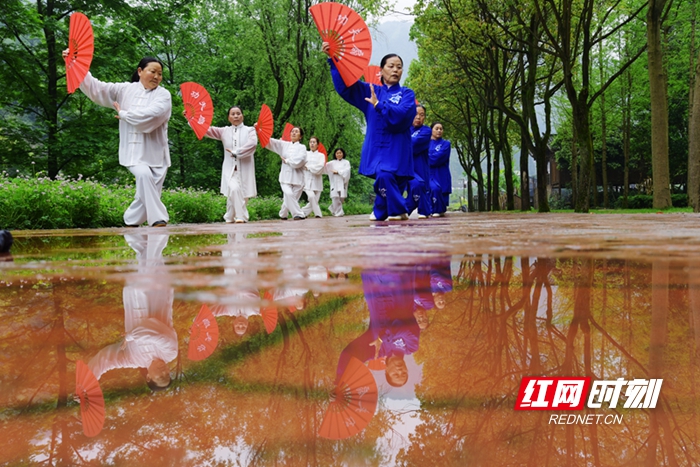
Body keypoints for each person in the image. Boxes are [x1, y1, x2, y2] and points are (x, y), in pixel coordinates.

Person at [66, 53, 172, 227]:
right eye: (153, 72)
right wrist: (74, 63)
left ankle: (131, 220)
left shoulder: (164, 95)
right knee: (144, 175)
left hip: (157, 153)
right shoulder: (124, 90)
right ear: (140, 71)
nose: (156, 77)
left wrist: (124, 114)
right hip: (133, 152)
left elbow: (153, 116)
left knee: (147, 192)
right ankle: (159, 218)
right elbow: (96, 88)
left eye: (160, 74)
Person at [322, 44, 416, 221]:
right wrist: (333, 59)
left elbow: (403, 116)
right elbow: (346, 87)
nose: (395, 70)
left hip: (398, 149)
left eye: (399, 66)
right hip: (378, 150)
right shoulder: (371, 90)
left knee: (390, 187)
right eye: (391, 66)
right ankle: (399, 210)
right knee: (384, 175)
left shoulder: (407, 94)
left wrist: (379, 105)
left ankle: (381, 211)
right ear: (381, 70)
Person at [88, 233, 176, 391]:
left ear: (148, 376)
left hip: (135, 296)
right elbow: (155, 331)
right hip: (158, 292)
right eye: (168, 375)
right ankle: (158, 224)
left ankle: (134, 223)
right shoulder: (170, 353)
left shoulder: (133, 359)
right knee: (151, 255)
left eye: (161, 377)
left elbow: (105, 361)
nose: (165, 372)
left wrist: (86, 385)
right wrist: (131, 336)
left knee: (144, 253)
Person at [203, 106, 258, 223]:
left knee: (242, 195)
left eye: (238, 113)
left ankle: (229, 216)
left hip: (245, 168)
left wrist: (236, 152)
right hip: (230, 169)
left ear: (242, 116)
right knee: (234, 189)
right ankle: (241, 216)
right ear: (229, 117)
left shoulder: (250, 130)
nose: (236, 116)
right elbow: (205, 129)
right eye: (233, 114)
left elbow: (252, 144)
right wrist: (191, 119)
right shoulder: (224, 131)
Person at [267, 127, 307, 220]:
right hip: (285, 176)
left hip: (298, 177)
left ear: (300, 136)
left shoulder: (302, 147)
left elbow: (300, 160)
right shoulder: (284, 145)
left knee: (291, 199)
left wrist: (287, 161)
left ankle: (283, 213)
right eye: (292, 131)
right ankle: (298, 214)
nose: (293, 133)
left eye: (296, 132)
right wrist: (259, 131)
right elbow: (272, 142)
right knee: (289, 194)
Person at [404, 104, 433, 219]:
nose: (418, 117)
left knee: (419, 187)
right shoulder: (405, 129)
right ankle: (424, 211)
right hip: (405, 168)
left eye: (421, 115)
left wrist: (402, 143)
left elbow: (414, 145)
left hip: (420, 168)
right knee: (416, 186)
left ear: (425, 118)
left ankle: (405, 211)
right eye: (415, 114)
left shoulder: (426, 131)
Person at [429, 122, 452, 217]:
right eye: (436, 128)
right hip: (429, 175)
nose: (439, 131)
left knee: (440, 209)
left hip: (441, 176)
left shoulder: (446, 144)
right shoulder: (424, 143)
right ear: (431, 130)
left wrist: (427, 157)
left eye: (441, 129)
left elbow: (437, 159)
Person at [301, 136, 326, 218]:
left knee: (314, 201)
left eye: (314, 142)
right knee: (311, 197)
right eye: (310, 142)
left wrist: (309, 167)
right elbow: (301, 163)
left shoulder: (321, 155)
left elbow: (321, 166)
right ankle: (318, 214)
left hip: (317, 180)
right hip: (306, 179)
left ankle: (301, 213)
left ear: (317, 144)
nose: (312, 144)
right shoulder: (305, 154)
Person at [325, 148, 351, 217]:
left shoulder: (346, 162)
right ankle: (339, 212)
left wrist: (338, 172)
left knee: (341, 198)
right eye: (337, 153)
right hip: (334, 181)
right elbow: (325, 166)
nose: (339, 154)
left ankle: (333, 209)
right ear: (335, 154)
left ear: (343, 153)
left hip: (342, 181)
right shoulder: (332, 162)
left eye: (340, 153)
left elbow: (347, 171)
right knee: (335, 196)